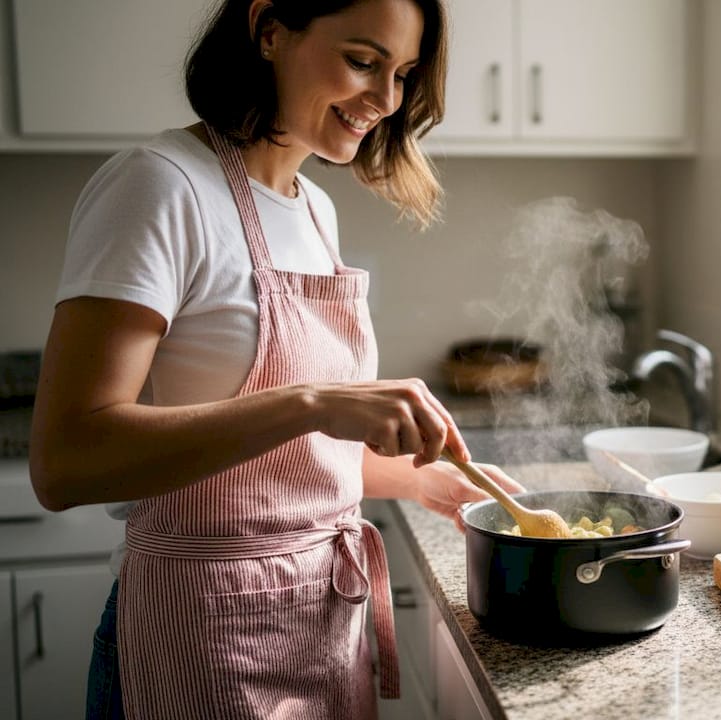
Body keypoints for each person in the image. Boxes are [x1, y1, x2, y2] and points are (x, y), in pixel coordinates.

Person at [28, 0, 524, 717]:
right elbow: (64, 461)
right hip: (200, 643)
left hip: (320, 630)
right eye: (363, 60)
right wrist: (316, 400)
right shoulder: (159, 184)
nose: (386, 100)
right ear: (268, 29)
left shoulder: (311, 207)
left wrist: (425, 484)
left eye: (404, 74)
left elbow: (273, 468)